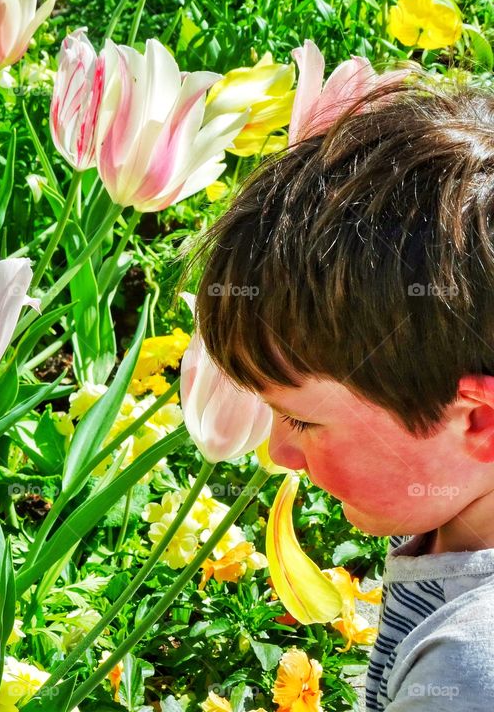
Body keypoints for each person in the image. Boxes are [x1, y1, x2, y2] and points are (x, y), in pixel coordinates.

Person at [193, 82, 494, 711]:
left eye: (300, 420)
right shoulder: (446, 516)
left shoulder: (472, 669)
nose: (277, 452)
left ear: (479, 421)